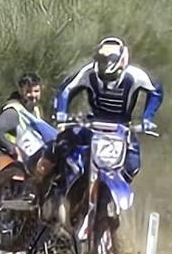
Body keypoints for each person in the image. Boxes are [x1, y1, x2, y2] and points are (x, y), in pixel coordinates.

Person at [43, 36, 164, 183]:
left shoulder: (135, 75)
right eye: (101, 58)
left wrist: (147, 118)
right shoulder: (89, 72)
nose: (105, 63)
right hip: (93, 123)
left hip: (122, 128)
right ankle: (54, 185)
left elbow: (156, 91)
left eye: (110, 58)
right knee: (62, 147)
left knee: (132, 165)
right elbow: (66, 89)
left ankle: (114, 192)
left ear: (121, 59)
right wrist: (61, 112)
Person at [0, 72, 45, 158]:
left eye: (36, 91)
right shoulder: (14, 111)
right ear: (21, 91)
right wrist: (12, 150)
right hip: (13, 164)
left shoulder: (35, 109)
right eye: (28, 92)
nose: (33, 95)